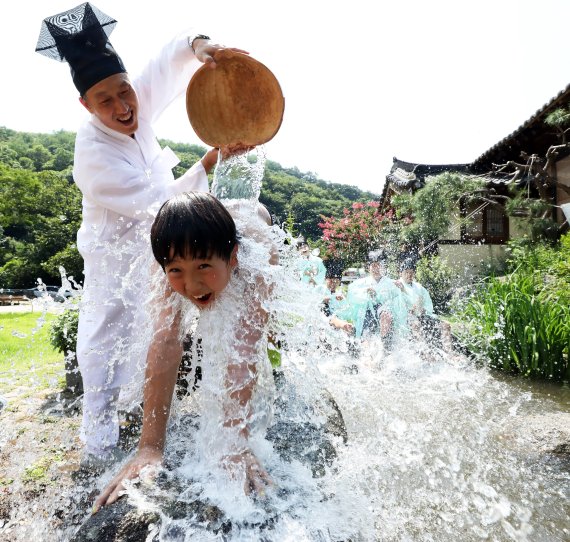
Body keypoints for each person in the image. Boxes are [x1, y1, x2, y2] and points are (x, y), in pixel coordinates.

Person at [35, 2, 247, 469]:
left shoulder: (135, 101)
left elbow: (171, 57)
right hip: (113, 260)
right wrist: (210, 162)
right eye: (105, 101)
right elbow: (158, 206)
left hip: (153, 252)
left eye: (124, 91)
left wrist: (201, 46)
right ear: (85, 105)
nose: (122, 107)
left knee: (156, 334)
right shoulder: (92, 154)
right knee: (102, 350)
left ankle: (145, 432)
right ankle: (97, 454)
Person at [94, 190, 276, 511]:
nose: (192, 286)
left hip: (253, 218)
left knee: (250, 330)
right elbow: (165, 341)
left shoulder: (258, 258)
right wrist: (150, 448)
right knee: (170, 318)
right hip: (209, 230)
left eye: (204, 266)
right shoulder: (167, 265)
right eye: (177, 271)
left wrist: (235, 443)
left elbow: (243, 348)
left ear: (232, 257)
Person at [392, 259, 453, 351]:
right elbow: (396, 306)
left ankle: (449, 352)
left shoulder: (419, 288)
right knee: (415, 324)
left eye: (412, 272)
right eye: (407, 272)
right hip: (405, 318)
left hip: (421, 316)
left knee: (446, 325)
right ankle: (424, 353)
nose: (409, 275)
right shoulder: (396, 285)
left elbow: (428, 305)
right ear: (400, 273)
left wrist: (423, 309)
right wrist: (410, 309)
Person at [344, 250, 398, 345]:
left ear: (383, 267)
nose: (376, 268)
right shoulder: (361, 282)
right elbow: (352, 294)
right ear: (369, 267)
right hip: (366, 312)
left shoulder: (390, 283)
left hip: (384, 313)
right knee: (366, 342)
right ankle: (367, 351)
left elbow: (394, 298)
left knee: (385, 313)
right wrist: (365, 293)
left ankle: (384, 342)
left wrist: (377, 295)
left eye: (378, 265)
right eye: (373, 265)